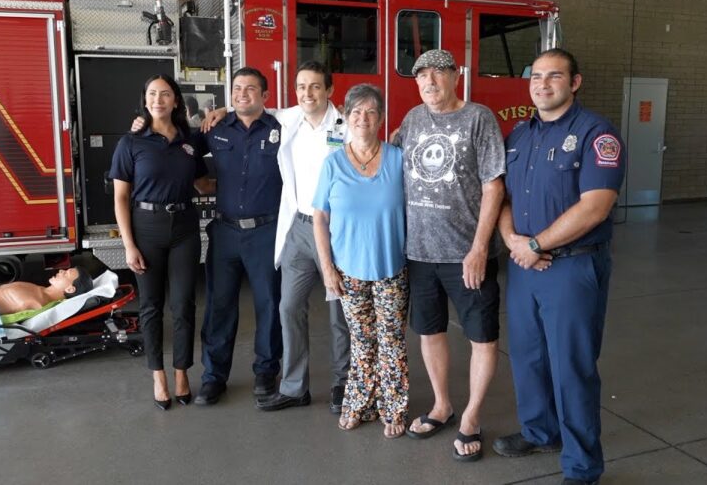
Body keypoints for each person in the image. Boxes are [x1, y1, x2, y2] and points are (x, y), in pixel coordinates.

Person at [492, 49, 624, 485]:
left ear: (575, 82)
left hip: (572, 268)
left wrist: (535, 243)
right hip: (524, 264)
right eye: (536, 77)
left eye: (554, 77)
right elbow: (505, 199)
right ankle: (540, 431)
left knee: (572, 366)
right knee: (528, 357)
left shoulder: (596, 134)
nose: (542, 84)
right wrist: (512, 239)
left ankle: (583, 467)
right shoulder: (519, 135)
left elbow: (596, 207)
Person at [198, 61, 351, 414]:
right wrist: (222, 108)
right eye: (301, 87)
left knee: (338, 313)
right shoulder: (288, 119)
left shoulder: (342, 126)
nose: (307, 93)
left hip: (334, 229)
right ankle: (293, 386)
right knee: (285, 308)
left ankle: (342, 382)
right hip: (294, 227)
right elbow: (246, 107)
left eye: (315, 86)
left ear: (329, 90)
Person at [392, 49, 505, 461]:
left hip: (466, 254)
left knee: (481, 335)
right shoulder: (412, 120)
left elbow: (494, 186)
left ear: (455, 77)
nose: (429, 82)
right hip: (420, 254)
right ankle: (443, 404)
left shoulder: (479, 118)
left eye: (438, 74)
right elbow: (385, 160)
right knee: (429, 330)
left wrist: (478, 249)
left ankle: (471, 416)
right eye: (422, 76)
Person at [312, 84, 408, 438]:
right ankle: (359, 404)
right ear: (346, 118)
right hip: (348, 272)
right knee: (362, 341)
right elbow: (320, 216)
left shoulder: (398, 159)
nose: (362, 119)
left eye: (370, 112)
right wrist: (327, 268)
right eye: (355, 112)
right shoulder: (333, 163)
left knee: (392, 341)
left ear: (381, 119)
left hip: (391, 270)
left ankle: (393, 408)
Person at [110, 73, 207, 411]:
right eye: (152, 94)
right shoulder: (131, 142)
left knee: (183, 306)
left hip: (184, 227)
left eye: (165, 94)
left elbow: (202, 183)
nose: (158, 100)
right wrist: (128, 245)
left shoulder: (189, 140)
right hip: (146, 228)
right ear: (145, 100)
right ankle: (158, 376)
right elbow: (121, 198)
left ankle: (181, 372)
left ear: (176, 101)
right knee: (151, 307)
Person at [193, 68, 284, 405]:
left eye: (250, 88)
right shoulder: (214, 128)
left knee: (269, 304)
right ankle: (214, 377)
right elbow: (176, 148)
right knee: (219, 305)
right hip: (225, 233)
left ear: (265, 96)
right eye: (236, 88)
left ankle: (265, 371)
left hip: (267, 232)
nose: (242, 93)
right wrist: (143, 126)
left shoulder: (281, 129)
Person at [0, 267, 94, 314]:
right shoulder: (39, 290)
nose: (61, 271)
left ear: (70, 289)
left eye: (66, 274)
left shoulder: (37, 303)